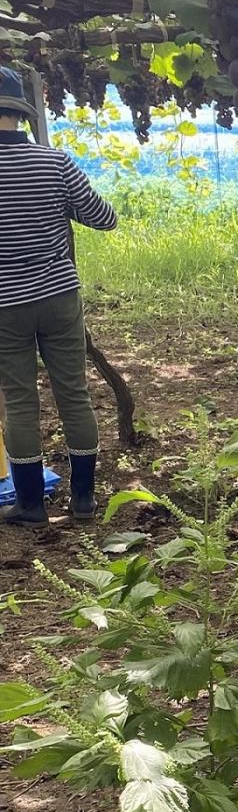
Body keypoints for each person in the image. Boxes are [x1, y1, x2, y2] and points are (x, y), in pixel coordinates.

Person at [0, 64, 115, 526]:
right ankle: (83, 502)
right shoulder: (55, 162)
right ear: (19, 114)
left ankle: (30, 506)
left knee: (19, 399)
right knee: (74, 393)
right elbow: (104, 217)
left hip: (4, 304)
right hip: (59, 296)